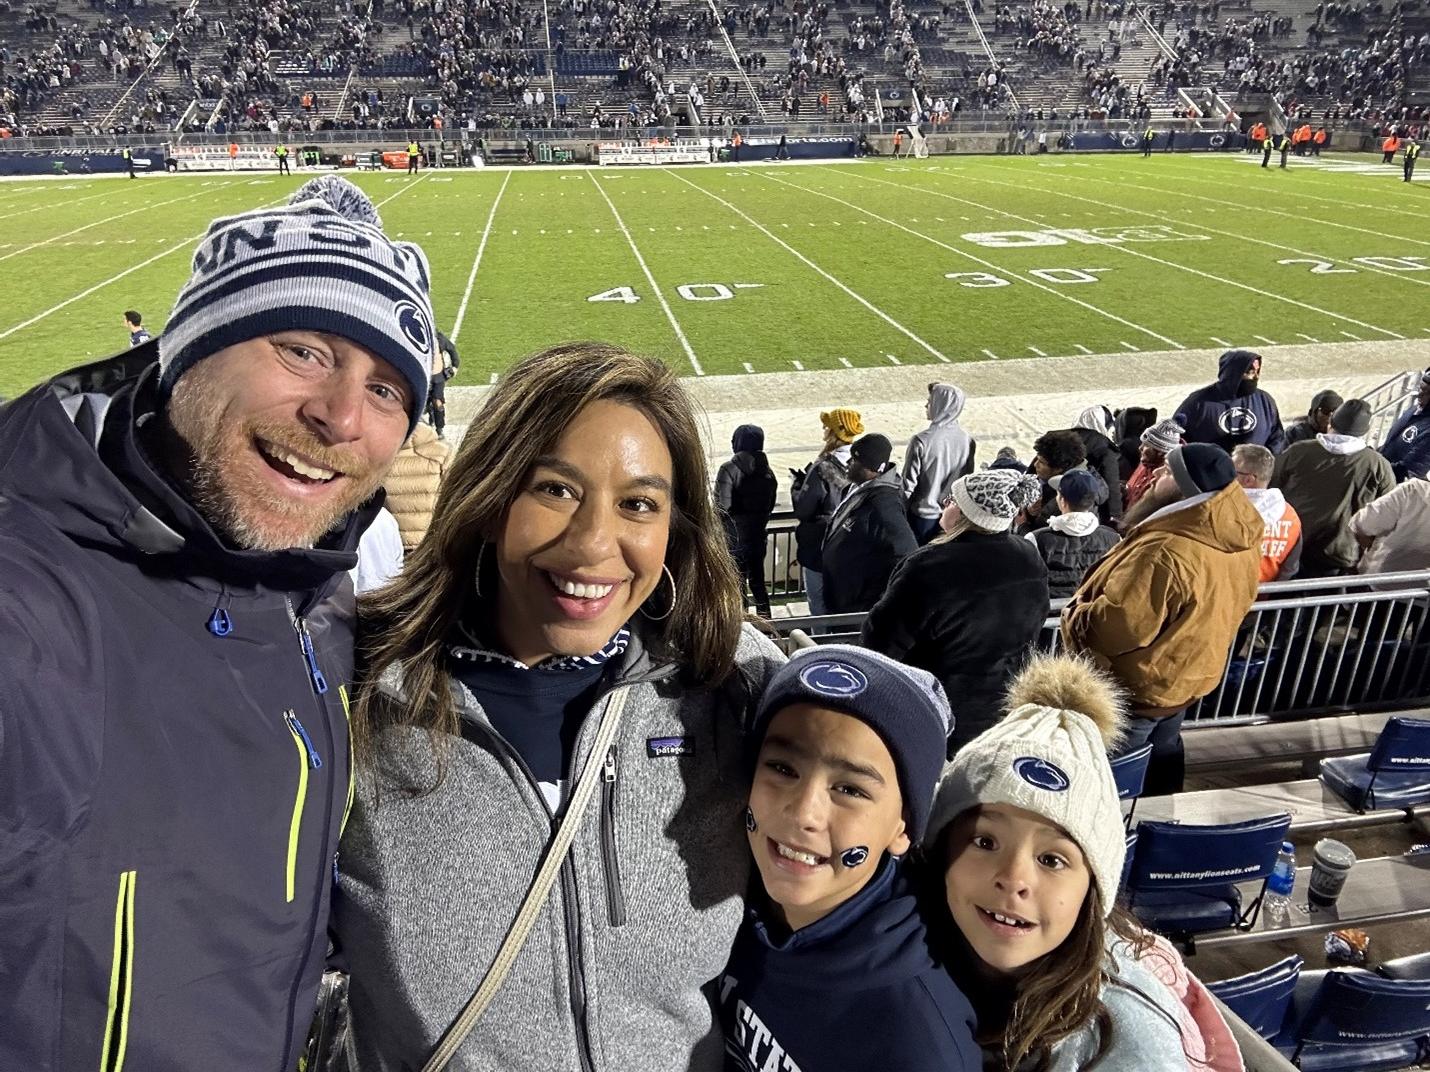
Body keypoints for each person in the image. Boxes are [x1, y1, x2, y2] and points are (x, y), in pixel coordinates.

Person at [0, 175, 435, 1070]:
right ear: (189, 353)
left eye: (389, 388)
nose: (342, 416)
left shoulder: (315, 592)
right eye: (304, 350)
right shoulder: (32, 600)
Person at [336, 342, 786, 1072]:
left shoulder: (735, 689)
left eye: (639, 504)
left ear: (673, 532)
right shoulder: (352, 691)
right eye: (554, 489)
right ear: (488, 500)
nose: (591, 544)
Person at [924, 653, 1244, 1071]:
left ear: (1093, 888)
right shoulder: (903, 943)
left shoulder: (1133, 1047)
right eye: (985, 841)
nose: (1014, 879)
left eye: (1052, 859)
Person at [720, 646, 980, 1072]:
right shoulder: (729, 899)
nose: (804, 813)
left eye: (851, 790)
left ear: (903, 828)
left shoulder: (917, 1039)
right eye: (783, 769)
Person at [1062, 444, 1262, 794]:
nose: (1155, 474)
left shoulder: (1165, 550)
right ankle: (1162, 819)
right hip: (1181, 679)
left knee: (1108, 782)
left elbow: (1118, 628)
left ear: (1190, 490)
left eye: (1169, 472)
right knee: (1163, 763)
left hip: (1137, 691)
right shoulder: (1236, 533)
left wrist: (1077, 614)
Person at [862, 469, 1049, 752]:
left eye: (951, 500)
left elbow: (882, 641)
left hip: (934, 706)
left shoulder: (929, 566)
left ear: (965, 514)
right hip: (1003, 701)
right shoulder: (1027, 554)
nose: (943, 504)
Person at [1272, 399, 1396, 577]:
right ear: (1365, 430)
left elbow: (1271, 488)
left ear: (1332, 422)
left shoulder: (1298, 451)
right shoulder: (1377, 465)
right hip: (1340, 555)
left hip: (1291, 545)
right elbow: (1387, 513)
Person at [820, 433, 918, 614]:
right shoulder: (859, 488)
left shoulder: (884, 505)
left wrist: (872, 602)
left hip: (854, 609)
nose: (848, 462)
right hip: (841, 597)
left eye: (855, 459)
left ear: (871, 468)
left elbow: (906, 555)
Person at [792, 408, 862, 616]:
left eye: (827, 426)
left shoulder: (822, 467)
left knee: (818, 605)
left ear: (834, 432)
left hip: (819, 546)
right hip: (850, 544)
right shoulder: (863, 464)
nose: (823, 429)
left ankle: (821, 645)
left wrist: (797, 486)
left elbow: (804, 509)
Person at [901, 381, 976, 545]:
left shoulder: (921, 440)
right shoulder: (968, 441)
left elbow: (907, 486)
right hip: (952, 516)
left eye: (930, 401)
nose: (926, 405)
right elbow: (966, 482)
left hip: (922, 517)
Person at [1026, 469, 1120, 599]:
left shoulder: (1036, 539)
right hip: (1086, 614)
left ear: (1062, 501)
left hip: (1047, 615)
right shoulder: (1114, 539)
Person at [717, 423, 778, 618]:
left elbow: (721, 507)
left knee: (737, 585)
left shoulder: (728, 469)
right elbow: (769, 506)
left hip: (733, 539)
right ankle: (767, 625)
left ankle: (743, 628)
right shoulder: (768, 472)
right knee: (758, 583)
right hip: (758, 537)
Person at [1174, 350, 1286, 454]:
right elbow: (1175, 436)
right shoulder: (1198, 403)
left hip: (1253, 472)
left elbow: (1277, 436)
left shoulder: (1264, 400)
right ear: (1233, 374)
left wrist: (1265, 463)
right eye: (1251, 373)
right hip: (1212, 472)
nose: (1256, 377)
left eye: (1257, 372)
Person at [1350, 458, 1430, 581]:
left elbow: (1361, 524)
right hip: (1421, 594)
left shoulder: (1411, 491)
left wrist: (1371, 550)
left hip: (1378, 585)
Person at [1232, 443, 1302, 581]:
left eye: (1232, 471)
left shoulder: (1226, 509)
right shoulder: (1290, 515)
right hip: (1266, 595)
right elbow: (1290, 567)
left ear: (1248, 480)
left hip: (1228, 594)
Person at [384, 417, 453, 550]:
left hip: (393, 544)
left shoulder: (380, 457)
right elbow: (453, 496)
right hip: (431, 542)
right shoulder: (441, 453)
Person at [1028, 429, 1107, 529]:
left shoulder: (1063, 501)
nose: (1036, 465)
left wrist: (1023, 523)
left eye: (1042, 462)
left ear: (1059, 468)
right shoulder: (1089, 478)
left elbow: (1038, 536)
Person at [1070, 404, 1124, 524]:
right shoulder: (1104, 447)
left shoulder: (1057, 440)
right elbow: (1112, 484)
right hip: (1092, 512)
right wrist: (1116, 516)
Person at [1381, 368, 1430, 483]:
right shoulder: (1415, 409)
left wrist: (1374, 464)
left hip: (1391, 490)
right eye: (1420, 388)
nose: (1419, 395)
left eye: (1427, 393)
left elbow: (1409, 472)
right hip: (1380, 476)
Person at [351, 504, 405, 593]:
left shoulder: (351, 522)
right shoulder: (385, 516)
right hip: (389, 594)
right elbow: (398, 559)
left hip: (362, 597)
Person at [427, 328, 458, 438]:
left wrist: (455, 366)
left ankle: (439, 428)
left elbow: (452, 350)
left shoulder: (440, 339)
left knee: (438, 402)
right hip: (425, 377)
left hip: (438, 377)